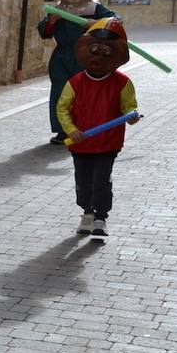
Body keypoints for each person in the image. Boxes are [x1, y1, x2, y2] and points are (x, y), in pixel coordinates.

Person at [57, 16, 139, 239]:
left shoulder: (122, 83)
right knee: (83, 183)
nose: (99, 55)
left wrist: (131, 115)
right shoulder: (75, 83)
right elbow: (62, 108)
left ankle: (101, 217)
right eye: (94, 48)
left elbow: (129, 106)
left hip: (108, 143)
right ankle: (87, 212)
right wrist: (70, 129)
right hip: (80, 142)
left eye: (107, 51)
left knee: (101, 180)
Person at [38, 0, 114, 145]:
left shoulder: (95, 8)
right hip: (62, 58)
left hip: (88, 58)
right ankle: (63, 131)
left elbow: (115, 22)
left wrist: (96, 24)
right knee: (60, 94)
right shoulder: (59, 9)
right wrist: (51, 21)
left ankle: (85, 127)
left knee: (86, 94)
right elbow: (44, 32)